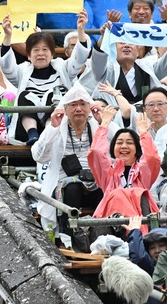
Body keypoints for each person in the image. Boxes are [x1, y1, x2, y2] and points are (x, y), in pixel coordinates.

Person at [32, 84, 115, 231]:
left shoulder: (97, 124)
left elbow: (120, 145)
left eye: (83, 104)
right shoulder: (58, 126)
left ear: (90, 107)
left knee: (104, 191)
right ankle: (69, 236)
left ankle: (103, 235)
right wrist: (52, 128)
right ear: (65, 109)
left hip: (96, 180)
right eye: (73, 105)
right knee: (72, 189)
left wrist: (104, 122)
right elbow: (39, 156)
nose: (78, 109)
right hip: (66, 182)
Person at [0, 10, 90, 143]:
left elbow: (79, 58)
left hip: (57, 129)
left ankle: (49, 134)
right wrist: (8, 36)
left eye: (45, 49)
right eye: (36, 50)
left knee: (55, 94)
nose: (40, 53)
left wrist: (81, 31)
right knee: (24, 95)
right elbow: (7, 66)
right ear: (29, 55)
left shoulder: (62, 67)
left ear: (52, 54)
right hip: (27, 132)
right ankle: (33, 133)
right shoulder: (23, 70)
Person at [88, 108, 160, 219]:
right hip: (113, 222)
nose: (124, 146)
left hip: (140, 218)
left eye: (130, 142)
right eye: (119, 143)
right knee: (118, 194)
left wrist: (144, 134)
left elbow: (152, 157)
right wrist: (105, 124)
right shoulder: (108, 173)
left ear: (137, 149)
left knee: (140, 193)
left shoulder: (142, 173)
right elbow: (96, 152)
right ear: (113, 149)